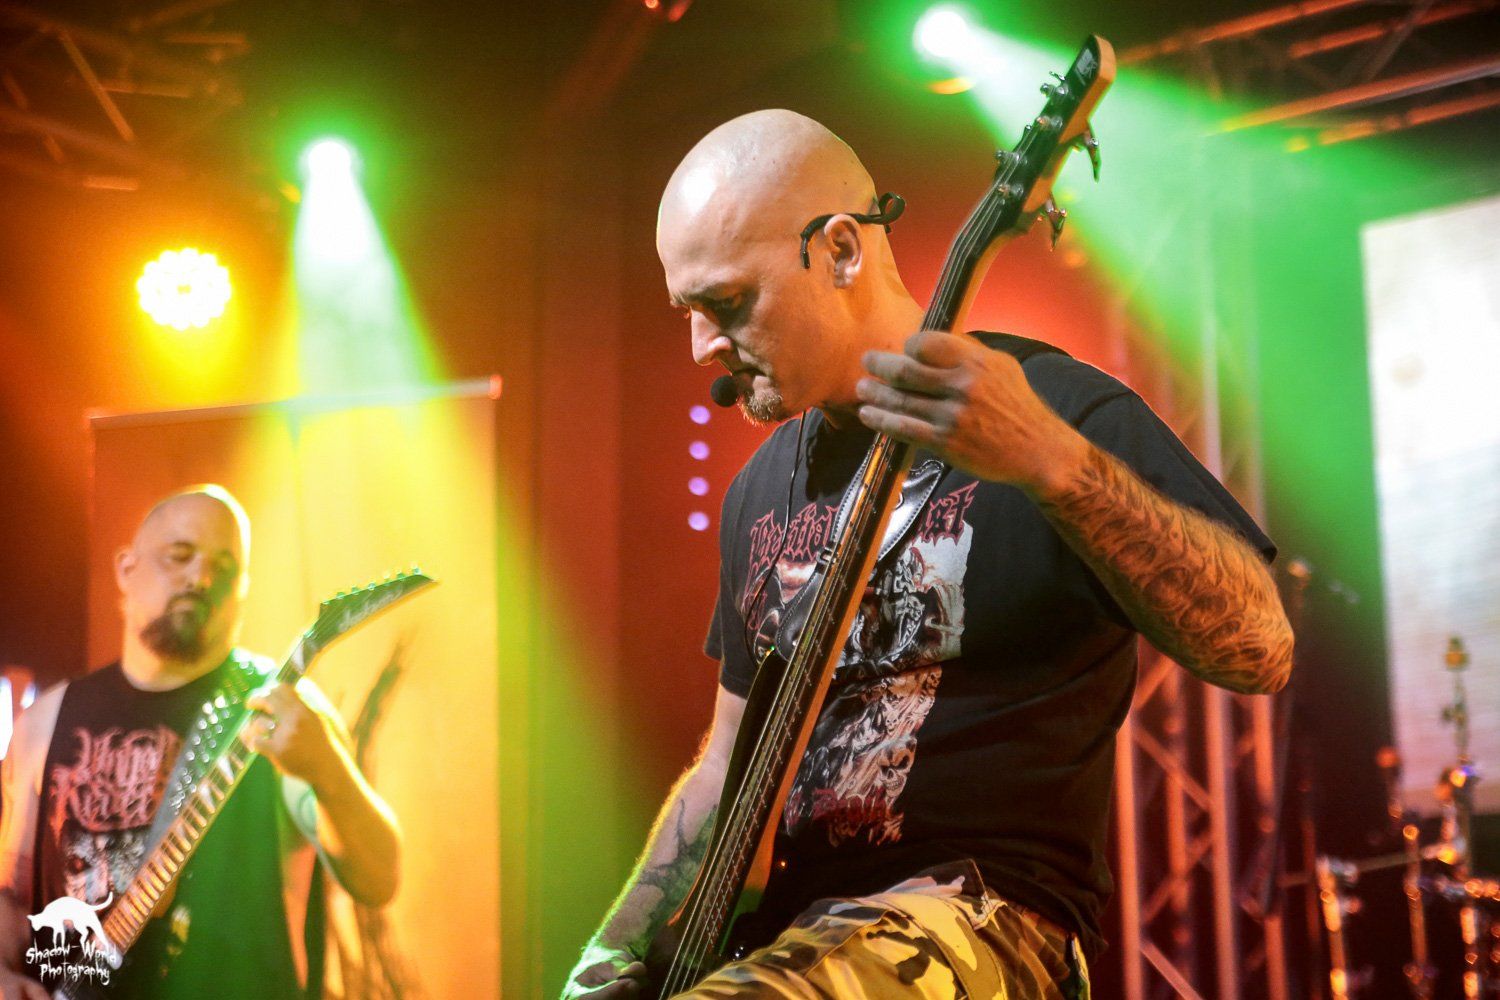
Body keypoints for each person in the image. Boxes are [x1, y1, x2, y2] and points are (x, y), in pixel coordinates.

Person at [563, 108, 1295, 1000]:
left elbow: (1260, 646)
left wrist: (1052, 463)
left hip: (986, 925)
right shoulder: (759, 489)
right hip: (795, 939)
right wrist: (607, 955)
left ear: (840, 250)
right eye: (689, 312)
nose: (701, 347)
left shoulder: (1054, 409)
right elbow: (725, 767)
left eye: (725, 303)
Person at [0, 485, 401, 999]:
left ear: (243, 590)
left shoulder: (280, 708)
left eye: (224, 567)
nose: (201, 577)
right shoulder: (47, 719)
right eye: (180, 555)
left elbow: (378, 879)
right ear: (126, 569)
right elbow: (12, 895)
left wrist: (326, 766)